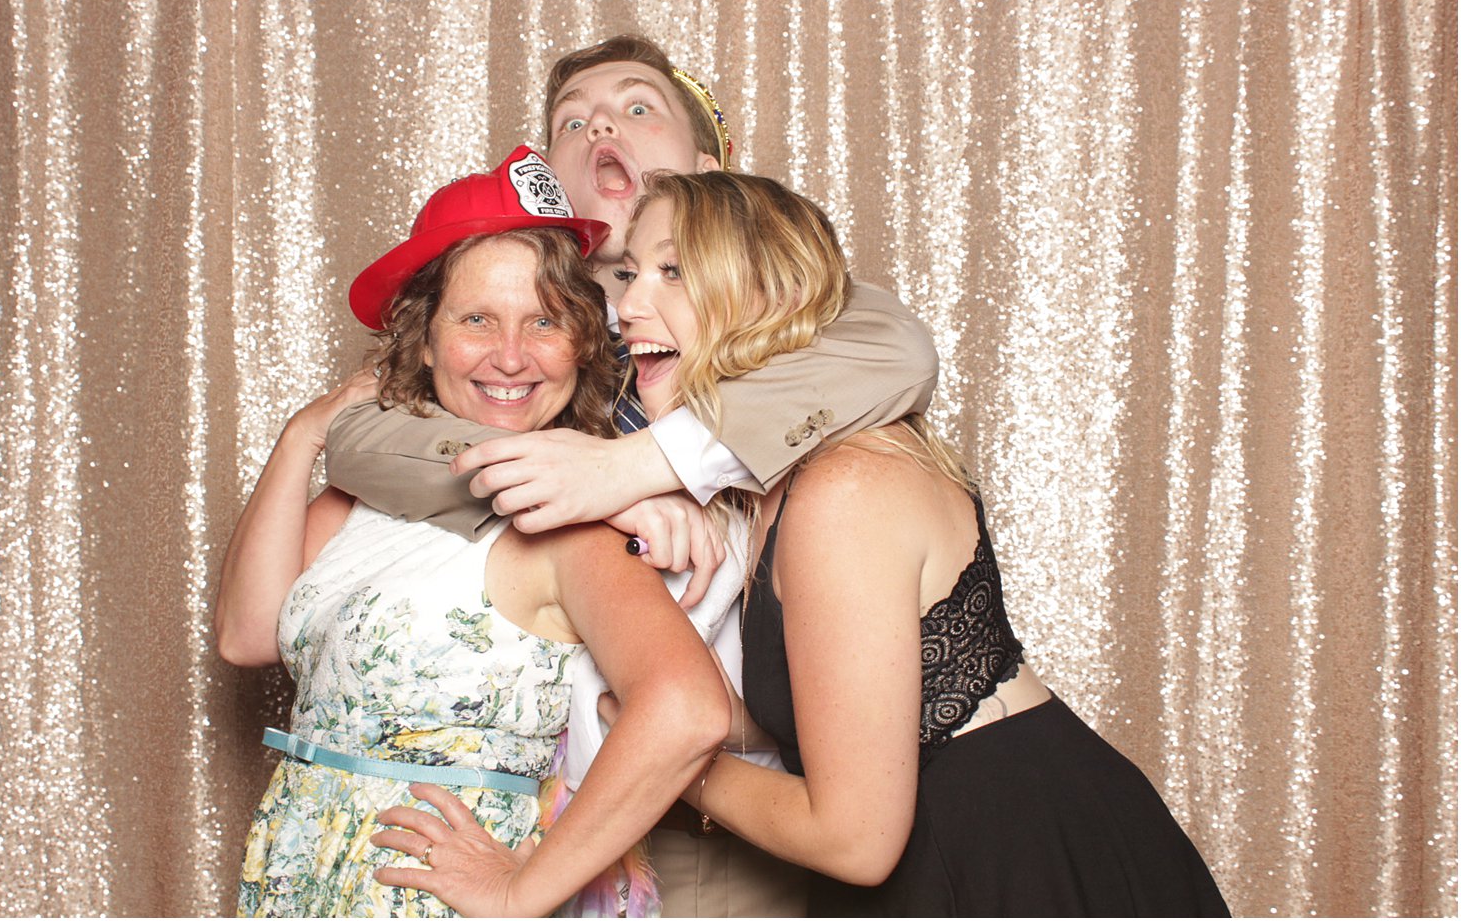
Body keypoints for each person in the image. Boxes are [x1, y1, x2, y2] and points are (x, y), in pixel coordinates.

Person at [388, 170, 1231, 916]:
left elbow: (855, 836)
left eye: (673, 269)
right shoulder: (764, 481)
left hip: (1019, 863)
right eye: (632, 272)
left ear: (768, 299)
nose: (631, 303)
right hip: (939, 862)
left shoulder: (842, 486)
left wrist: (676, 763)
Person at [326, 35, 928, 917]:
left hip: (725, 816)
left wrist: (640, 465)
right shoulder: (525, 335)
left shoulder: (792, 305)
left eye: (639, 106)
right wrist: (599, 500)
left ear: (709, 166)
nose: (601, 122)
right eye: (572, 123)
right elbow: (360, 434)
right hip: (541, 803)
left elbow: (899, 348)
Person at [216, 146, 729, 917]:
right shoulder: (360, 500)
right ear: (424, 339)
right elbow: (248, 634)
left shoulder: (571, 531)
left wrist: (523, 887)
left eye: (545, 321)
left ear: (584, 341)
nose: (512, 356)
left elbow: (688, 710)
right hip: (302, 877)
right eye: (478, 319)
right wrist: (301, 436)